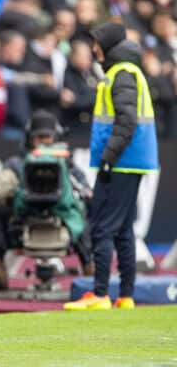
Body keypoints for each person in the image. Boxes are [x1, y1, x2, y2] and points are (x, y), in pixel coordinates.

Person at [64, 22, 158, 311]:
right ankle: (125, 296)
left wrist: (108, 158)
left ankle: (100, 293)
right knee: (123, 230)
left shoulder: (121, 74)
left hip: (120, 162)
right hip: (131, 161)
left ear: (107, 45)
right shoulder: (128, 71)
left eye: (96, 43)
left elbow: (126, 121)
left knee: (102, 227)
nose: (92, 49)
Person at [0, 109, 93, 290]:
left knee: (86, 207)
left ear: (55, 138)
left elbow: (87, 191)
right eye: (38, 138)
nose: (43, 142)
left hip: (63, 219)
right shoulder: (15, 165)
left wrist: (79, 192)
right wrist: (5, 191)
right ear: (29, 139)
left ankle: (89, 267)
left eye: (47, 137)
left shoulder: (67, 164)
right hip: (23, 219)